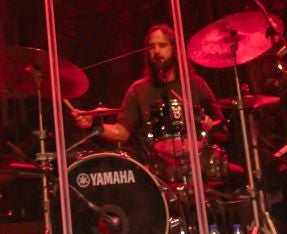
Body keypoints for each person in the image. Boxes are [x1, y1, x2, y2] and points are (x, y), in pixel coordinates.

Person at [76, 24, 220, 176]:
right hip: (156, 172)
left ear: (174, 49)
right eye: (151, 47)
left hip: (197, 169)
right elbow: (122, 132)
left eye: (162, 45)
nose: (156, 51)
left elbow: (221, 123)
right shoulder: (138, 90)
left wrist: (211, 124)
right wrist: (95, 124)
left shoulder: (195, 84)